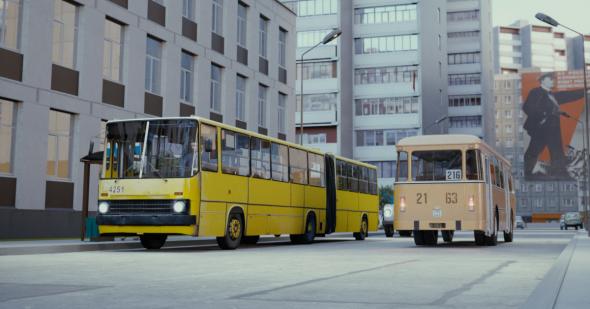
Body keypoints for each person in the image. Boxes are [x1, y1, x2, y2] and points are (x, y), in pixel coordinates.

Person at [522, 72, 585, 180]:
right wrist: (544, 113)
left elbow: (569, 95)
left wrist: (585, 91)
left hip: (553, 128)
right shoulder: (536, 92)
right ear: (542, 81)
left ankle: (560, 174)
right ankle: (526, 173)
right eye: (550, 79)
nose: (553, 80)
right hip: (541, 128)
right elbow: (527, 107)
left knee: (557, 151)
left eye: (553, 79)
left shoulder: (552, 95)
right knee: (533, 151)